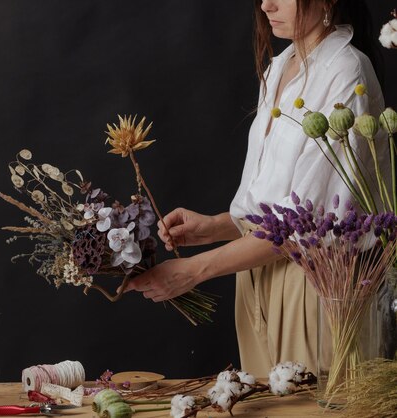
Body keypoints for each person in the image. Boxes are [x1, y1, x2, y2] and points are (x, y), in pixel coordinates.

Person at [123, 0, 386, 377]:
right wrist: (216, 226)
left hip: (314, 282)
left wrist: (194, 270)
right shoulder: (281, 66)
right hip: (255, 275)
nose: (266, 4)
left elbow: (306, 225)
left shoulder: (344, 71)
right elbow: (281, 202)